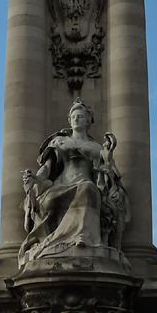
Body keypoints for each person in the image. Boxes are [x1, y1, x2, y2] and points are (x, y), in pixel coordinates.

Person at [19, 98, 103, 265]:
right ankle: (60, 239)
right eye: (73, 117)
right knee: (83, 190)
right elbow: (46, 171)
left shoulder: (96, 147)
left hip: (86, 185)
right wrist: (34, 179)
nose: (76, 119)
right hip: (60, 187)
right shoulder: (58, 142)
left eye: (80, 116)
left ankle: (82, 236)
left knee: (88, 188)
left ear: (88, 121)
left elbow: (104, 172)